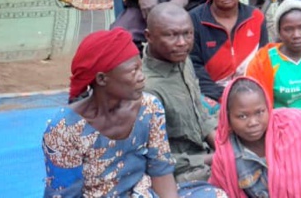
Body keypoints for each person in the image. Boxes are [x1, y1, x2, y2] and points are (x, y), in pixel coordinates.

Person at [42, 28, 225, 198]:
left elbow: (160, 171)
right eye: (133, 71)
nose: (142, 76)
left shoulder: (149, 107)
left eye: (140, 67)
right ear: (102, 79)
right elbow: (65, 194)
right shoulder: (64, 130)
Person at [142, 3, 218, 183]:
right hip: (178, 172)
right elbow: (154, 160)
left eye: (188, 33)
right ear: (149, 36)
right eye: (171, 35)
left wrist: (223, 148)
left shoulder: (182, 59)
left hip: (204, 151)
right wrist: (216, 159)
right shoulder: (147, 89)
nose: (182, 43)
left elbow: (200, 113)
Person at [190, 0, 268, 103]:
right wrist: (221, 96)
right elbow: (193, 66)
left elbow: (264, 60)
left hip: (252, 92)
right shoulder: (194, 19)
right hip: (210, 95)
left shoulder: (256, 18)